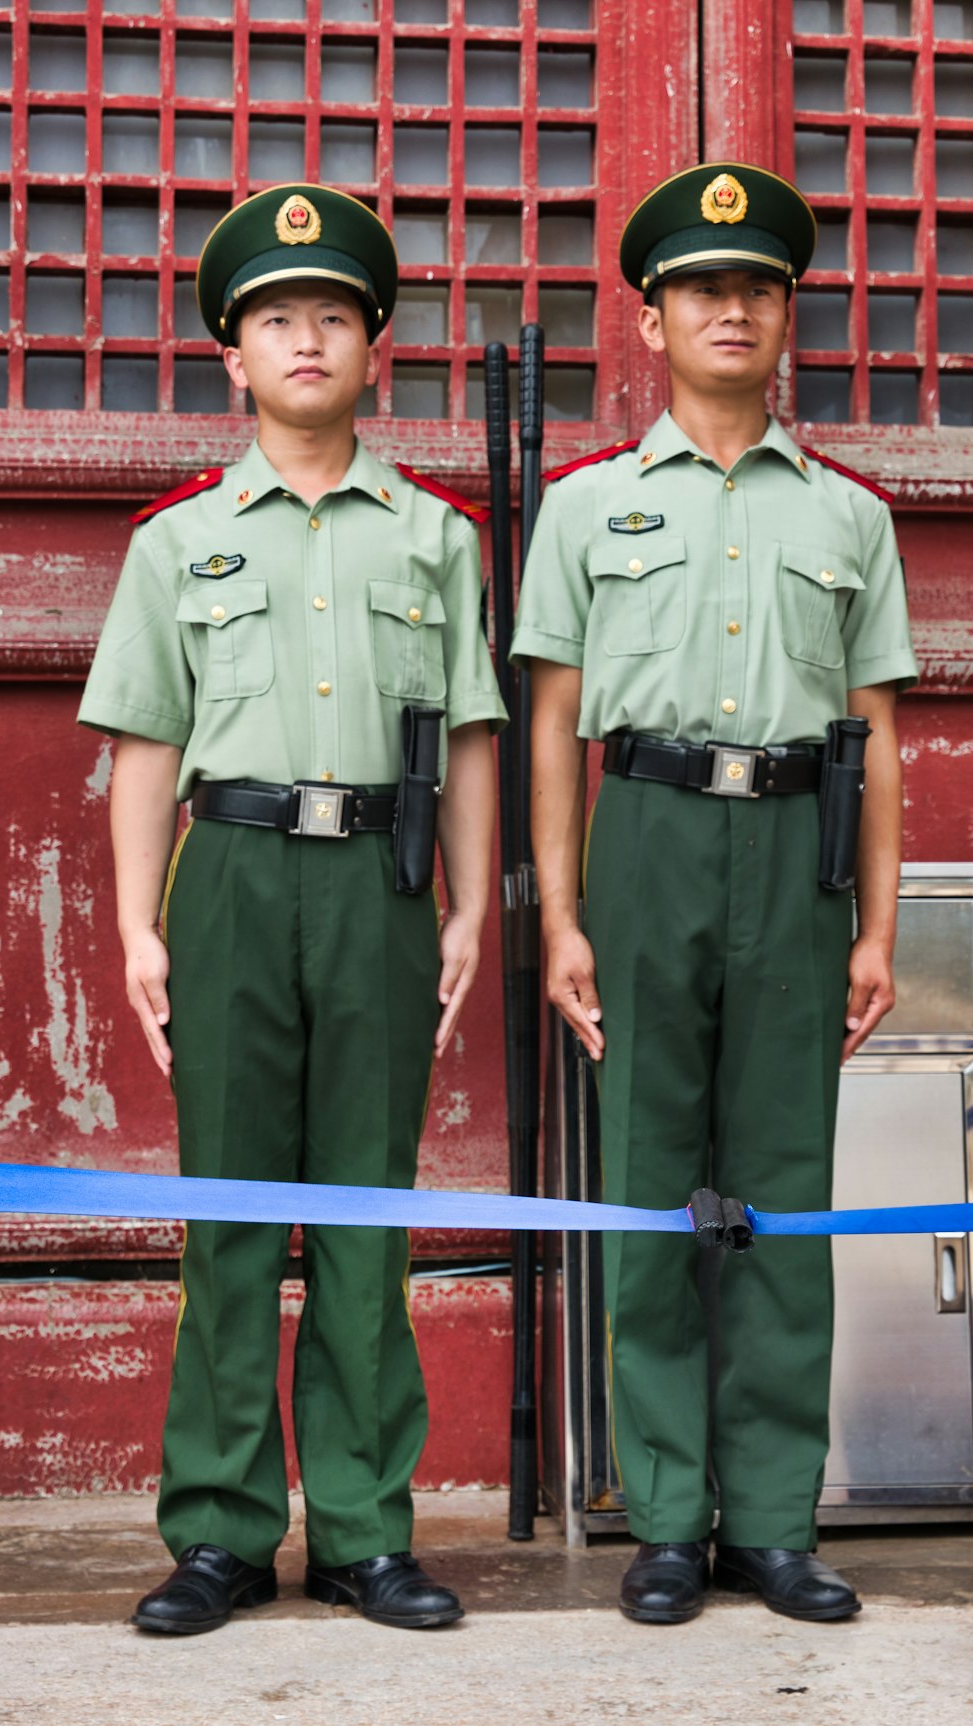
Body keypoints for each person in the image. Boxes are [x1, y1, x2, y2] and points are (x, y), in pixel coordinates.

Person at [78, 183, 506, 1635]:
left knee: (367, 1216)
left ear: (374, 347)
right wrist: (139, 925)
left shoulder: (433, 538)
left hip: (383, 884)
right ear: (233, 356)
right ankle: (217, 1527)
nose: (305, 338)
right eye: (277, 319)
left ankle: (366, 1530)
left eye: (333, 315)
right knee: (232, 1217)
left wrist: (465, 908)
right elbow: (145, 743)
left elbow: (467, 737)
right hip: (238, 877)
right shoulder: (175, 543)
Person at [512, 163, 916, 1625]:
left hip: (798, 847)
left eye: (755, 286)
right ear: (653, 316)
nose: (730, 307)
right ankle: (668, 1510)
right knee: (648, 1180)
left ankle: (774, 1515)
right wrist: (561, 912)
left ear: (785, 312)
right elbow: (556, 725)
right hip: (651, 837)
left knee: (782, 1189)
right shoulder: (585, 507)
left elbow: (879, 740)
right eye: (701, 287)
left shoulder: (849, 519)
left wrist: (876, 927)